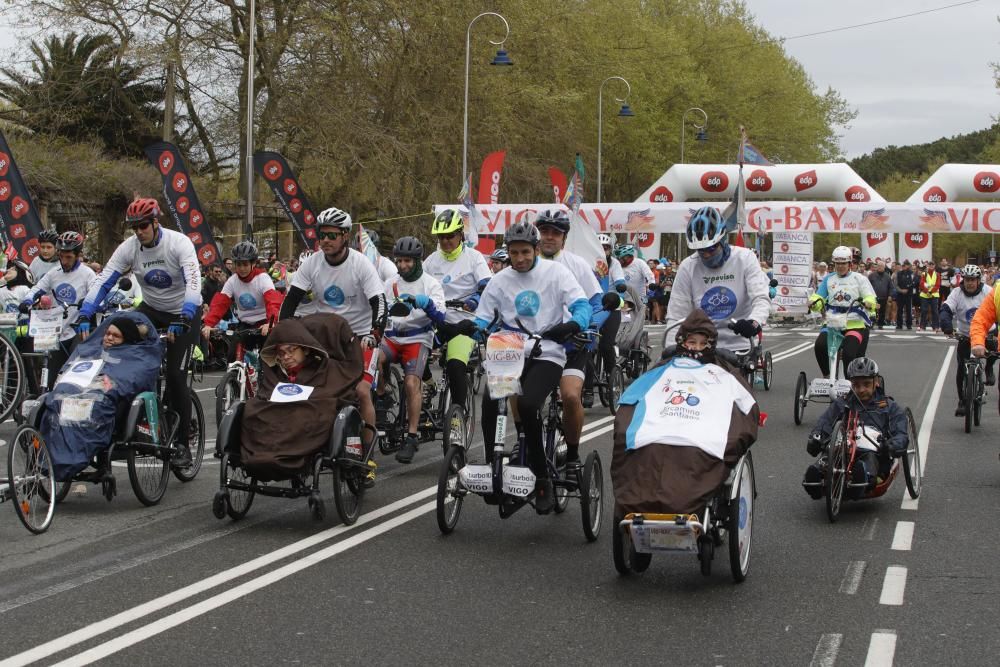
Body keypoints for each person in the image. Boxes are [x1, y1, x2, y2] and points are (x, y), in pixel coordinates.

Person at [462, 220, 590, 513]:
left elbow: (581, 305)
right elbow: (484, 316)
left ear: (535, 250)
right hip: (509, 347)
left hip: (548, 349)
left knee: (530, 403)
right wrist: (477, 328)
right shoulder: (500, 280)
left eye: (525, 252)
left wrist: (573, 323)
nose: (519, 259)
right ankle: (493, 467)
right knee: (492, 402)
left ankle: (541, 477)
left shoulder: (556, 273)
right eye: (514, 253)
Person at [78, 196, 203, 470]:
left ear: (156, 222)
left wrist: (186, 315)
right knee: (124, 351)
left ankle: (182, 443)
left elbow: (194, 283)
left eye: (143, 225)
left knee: (175, 376)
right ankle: (133, 421)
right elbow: (104, 278)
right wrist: (86, 311)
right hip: (151, 309)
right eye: (134, 227)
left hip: (184, 311)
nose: (139, 231)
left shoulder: (178, 243)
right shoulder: (130, 247)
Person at [612, 309, 759, 516]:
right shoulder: (660, 370)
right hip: (658, 430)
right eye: (692, 342)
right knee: (644, 451)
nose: (697, 349)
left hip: (701, 437)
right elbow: (629, 401)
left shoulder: (724, 374)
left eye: (703, 343)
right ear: (682, 342)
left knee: (692, 456)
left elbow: (746, 409)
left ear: (711, 345)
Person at [280, 207, 386, 448]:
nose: (325, 240)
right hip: (326, 336)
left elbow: (379, 302)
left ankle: (367, 456)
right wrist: (283, 333)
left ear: (345, 236)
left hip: (360, 337)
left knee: (360, 391)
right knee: (308, 385)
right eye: (321, 235)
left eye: (332, 235)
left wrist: (375, 332)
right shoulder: (312, 264)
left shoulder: (361, 264)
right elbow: (290, 302)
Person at [534, 210, 612, 466]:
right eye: (544, 231)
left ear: (564, 238)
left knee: (569, 396)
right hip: (535, 345)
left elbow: (598, 304)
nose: (549, 237)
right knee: (516, 394)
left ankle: (573, 454)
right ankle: (527, 446)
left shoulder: (577, 265)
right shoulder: (524, 264)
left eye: (555, 233)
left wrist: (590, 329)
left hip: (571, 345)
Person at [666, 206, 770, 354]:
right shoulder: (687, 266)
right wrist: (671, 350)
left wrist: (754, 322)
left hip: (740, 342)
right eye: (701, 250)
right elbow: (676, 314)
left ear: (723, 240)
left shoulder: (745, 258)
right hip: (701, 344)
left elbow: (761, 298)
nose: (706, 255)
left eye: (711, 248)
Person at [379, 236, 445, 463]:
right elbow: (379, 310)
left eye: (407, 261)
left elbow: (441, 317)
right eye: (399, 261)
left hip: (418, 337)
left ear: (417, 260)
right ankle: (382, 397)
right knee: (373, 359)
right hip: (392, 336)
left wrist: (425, 303)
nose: (402, 266)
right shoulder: (390, 283)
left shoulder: (431, 283)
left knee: (410, 383)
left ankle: (412, 435)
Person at [802, 357, 908, 499]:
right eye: (856, 385)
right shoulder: (842, 403)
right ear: (851, 384)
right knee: (827, 457)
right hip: (842, 448)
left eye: (866, 384)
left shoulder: (888, 406)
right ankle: (815, 478)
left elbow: (901, 432)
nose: (861, 389)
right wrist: (817, 437)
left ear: (876, 381)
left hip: (873, 451)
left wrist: (893, 445)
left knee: (868, 461)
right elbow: (825, 422)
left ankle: (862, 479)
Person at [423, 208, 492, 422]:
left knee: (455, 366)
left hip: (465, 322)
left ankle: (458, 417)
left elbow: (486, 286)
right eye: (441, 237)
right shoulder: (431, 261)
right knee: (413, 353)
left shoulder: (474, 258)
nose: (445, 241)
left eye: (450, 236)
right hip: (438, 322)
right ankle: (429, 385)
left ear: (461, 234)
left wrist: (474, 301)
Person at [19, 231, 96, 374]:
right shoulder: (54, 273)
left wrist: (86, 305)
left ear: (78, 255)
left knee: (75, 372)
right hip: (57, 331)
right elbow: (37, 289)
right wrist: (27, 300)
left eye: (69, 257)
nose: (64, 261)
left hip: (78, 330)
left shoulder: (87, 274)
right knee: (50, 374)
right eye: (61, 256)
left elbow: (95, 296)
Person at [808, 246, 876, 378]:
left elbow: (870, 297)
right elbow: (819, 297)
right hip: (832, 323)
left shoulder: (859, 279)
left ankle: (849, 383)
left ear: (850, 264)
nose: (840, 266)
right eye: (837, 264)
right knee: (820, 346)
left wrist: (869, 303)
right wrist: (813, 302)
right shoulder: (829, 279)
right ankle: (828, 377)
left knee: (849, 354)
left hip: (854, 324)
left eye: (843, 263)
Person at [201, 240, 283, 345]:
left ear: (253, 263)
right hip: (244, 325)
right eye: (238, 265)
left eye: (245, 264)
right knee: (232, 355)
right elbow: (219, 304)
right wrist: (208, 324)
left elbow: (273, 303)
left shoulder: (263, 278)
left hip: (264, 324)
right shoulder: (232, 281)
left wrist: (271, 323)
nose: (241, 268)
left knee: (266, 357)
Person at [940, 264, 997, 416]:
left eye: (973, 280)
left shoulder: (988, 291)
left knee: (993, 351)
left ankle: (989, 367)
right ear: (963, 280)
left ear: (979, 280)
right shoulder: (956, 293)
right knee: (961, 368)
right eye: (967, 280)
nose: (970, 283)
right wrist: (945, 324)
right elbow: (946, 308)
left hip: (988, 334)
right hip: (965, 335)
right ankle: (963, 401)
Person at [867, 260, 892, 329]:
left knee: (882, 311)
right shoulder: (871, 276)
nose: (880, 267)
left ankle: (880, 324)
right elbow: (868, 286)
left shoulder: (887, 276)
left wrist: (890, 295)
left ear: (884, 267)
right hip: (873, 297)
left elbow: (890, 287)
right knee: (872, 311)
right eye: (878, 266)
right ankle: (871, 323)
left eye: (881, 266)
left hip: (884, 297)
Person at [893, 259, 915, 329]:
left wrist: (907, 289)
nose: (904, 266)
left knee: (908, 310)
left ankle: (909, 324)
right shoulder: (898, 273)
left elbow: (913, 282)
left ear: (908, 266)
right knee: (899, 310)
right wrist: (901, 290)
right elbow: (895, 285)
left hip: (908, 294)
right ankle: (899, 324)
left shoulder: (911, 273)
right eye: (903, 265)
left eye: (906, 265)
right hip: (900, 294)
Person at [918, 262, 940, 331]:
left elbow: (937, 285)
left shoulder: (937, 274)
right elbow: (921, 284)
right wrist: (926, 291)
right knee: (924, 310)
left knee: (935, 311)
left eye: (932, 264)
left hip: (934, 294)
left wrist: (930, 291)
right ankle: (922, 326)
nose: (931, 266)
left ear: (934, 266)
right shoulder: (924, 274)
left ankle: (936, 326)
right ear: (928, 266)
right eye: (930, 265)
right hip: (925, 295)